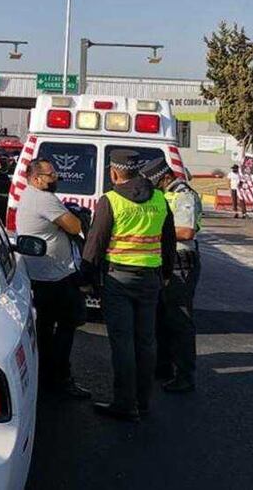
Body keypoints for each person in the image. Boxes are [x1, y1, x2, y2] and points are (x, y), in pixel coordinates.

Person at [82, 149, 176, 422]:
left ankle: (124, 403)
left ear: (114, 172)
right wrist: (166, 274)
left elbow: (95, 242)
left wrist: (86, 279)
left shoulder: (110, 200)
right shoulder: (160, 198)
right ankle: (143, 402)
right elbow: (168, 240)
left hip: (118, 279)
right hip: (151, 278)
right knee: (146, 341)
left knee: (122, 343)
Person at [14, 159, 90, 398]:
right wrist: (76, 216)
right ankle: (60, 378)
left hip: (38, 274)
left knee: (45, 329)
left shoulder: (29, 195)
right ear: (36, 179)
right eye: (50, 174)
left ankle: (46, 376)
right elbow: (74, 226)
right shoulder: (44, 199)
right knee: (68, 323)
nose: (55, 177)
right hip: (54, 276)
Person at [142, 159, 202, 393]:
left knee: (180, 320)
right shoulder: (165, 194)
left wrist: (152, 230)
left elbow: (186, 231)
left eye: (152, 181)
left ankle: (185, 375)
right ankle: (164, 366)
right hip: (165, 259)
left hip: (181, 261)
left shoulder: (184, 194)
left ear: (163, 177)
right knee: (162, 317)